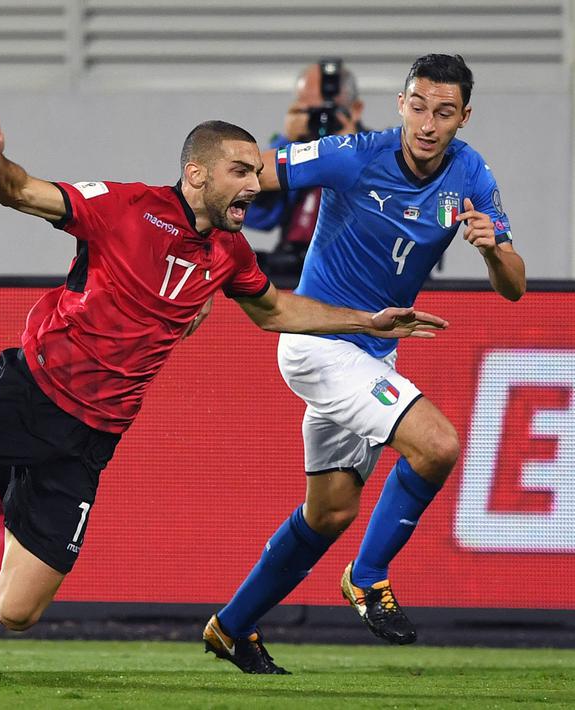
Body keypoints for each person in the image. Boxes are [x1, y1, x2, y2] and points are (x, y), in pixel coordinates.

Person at [0, 117, 446, 637]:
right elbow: (21, 193)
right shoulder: (124, 206)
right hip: (23, 396)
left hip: (88, 442)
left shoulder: (228, 253)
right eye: (241, 171)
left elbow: (273, 311)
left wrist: (365, 321)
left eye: (256, 175)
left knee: (14, 612)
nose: (255, 185)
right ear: (196, 172)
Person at [204, 54, 526, 674]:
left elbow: (514, 285)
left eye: (445, 112)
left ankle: (233, 626)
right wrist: (198, 212)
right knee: (437, 445)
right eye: (419, 106)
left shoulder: (472, 174)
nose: (429, 123)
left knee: (330, 512)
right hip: (318, 343)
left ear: (464, 116)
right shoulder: (354, 155)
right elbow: (257, 176)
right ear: (401, 103)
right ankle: (368, 577)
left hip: (375, 350)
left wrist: (491, 252)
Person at [247, 59, 366, 278]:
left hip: (354, 274)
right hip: (294, 273)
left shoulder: (379, 154)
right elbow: (256, 218)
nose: (321, 120)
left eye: (329, 111)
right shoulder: (294, 155)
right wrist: (284, 142)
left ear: (356, 110)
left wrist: (349, 151)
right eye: (310, 111)